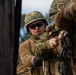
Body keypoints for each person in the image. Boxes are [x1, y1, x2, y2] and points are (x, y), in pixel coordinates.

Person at [32, 0, 76, 75]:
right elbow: (37, 50)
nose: (54, 18)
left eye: (55, 15)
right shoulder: (49, 32)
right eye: (53, 16)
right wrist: (49, 44)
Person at [16, 11, 58, 75]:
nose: (37, 28)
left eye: (39, 24)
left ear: (44, 24)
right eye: (32, 26)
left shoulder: (54, 37)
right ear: (28, 30)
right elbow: (27, 59)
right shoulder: (25, 45)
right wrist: (36, 59)